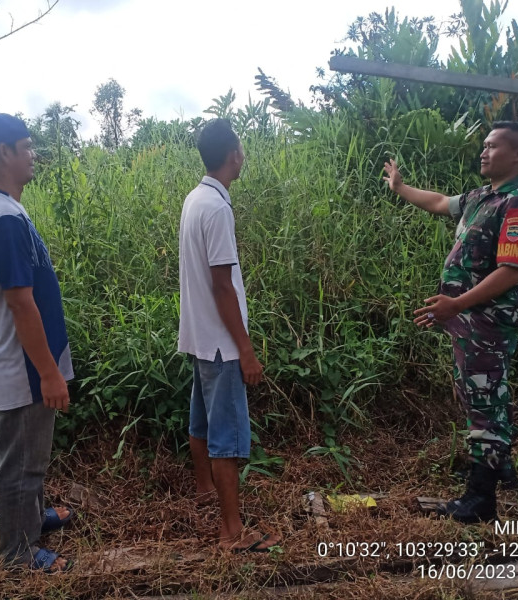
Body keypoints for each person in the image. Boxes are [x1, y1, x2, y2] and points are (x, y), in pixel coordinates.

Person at [383, 121, 518, 523]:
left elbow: (512, 270)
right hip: (470, 322)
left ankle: (480, 500)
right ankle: (498, 467)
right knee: (480, 394)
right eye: (484, 146)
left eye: (493, 146)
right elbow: (439, 202)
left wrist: (458, 304)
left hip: (487, 322)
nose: (484, 152)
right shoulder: (482, 197)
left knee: (484, 401)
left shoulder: (517, 203)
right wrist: (401, 187)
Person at [0, 113, 75, 571]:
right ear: (4, 153)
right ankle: (17, 552)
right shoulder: (4, 219)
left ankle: (30, 518)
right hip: (23, 363)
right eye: (26, 146)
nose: (33, 154)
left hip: (24, 359)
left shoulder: (2, 206)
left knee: (31, 452)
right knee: (22, 461)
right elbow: (21, 303)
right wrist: (48, 372)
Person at [178, 119, 282, 552]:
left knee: (201, 421)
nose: (243, 153)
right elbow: (223, 285)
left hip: (201, 337)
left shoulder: (195, 199)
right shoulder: (218, 209)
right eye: (241, 145)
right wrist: (246, 350)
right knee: (226, 435)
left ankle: (206, 491)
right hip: (221, 342)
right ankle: (232, 532)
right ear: (233, 154)